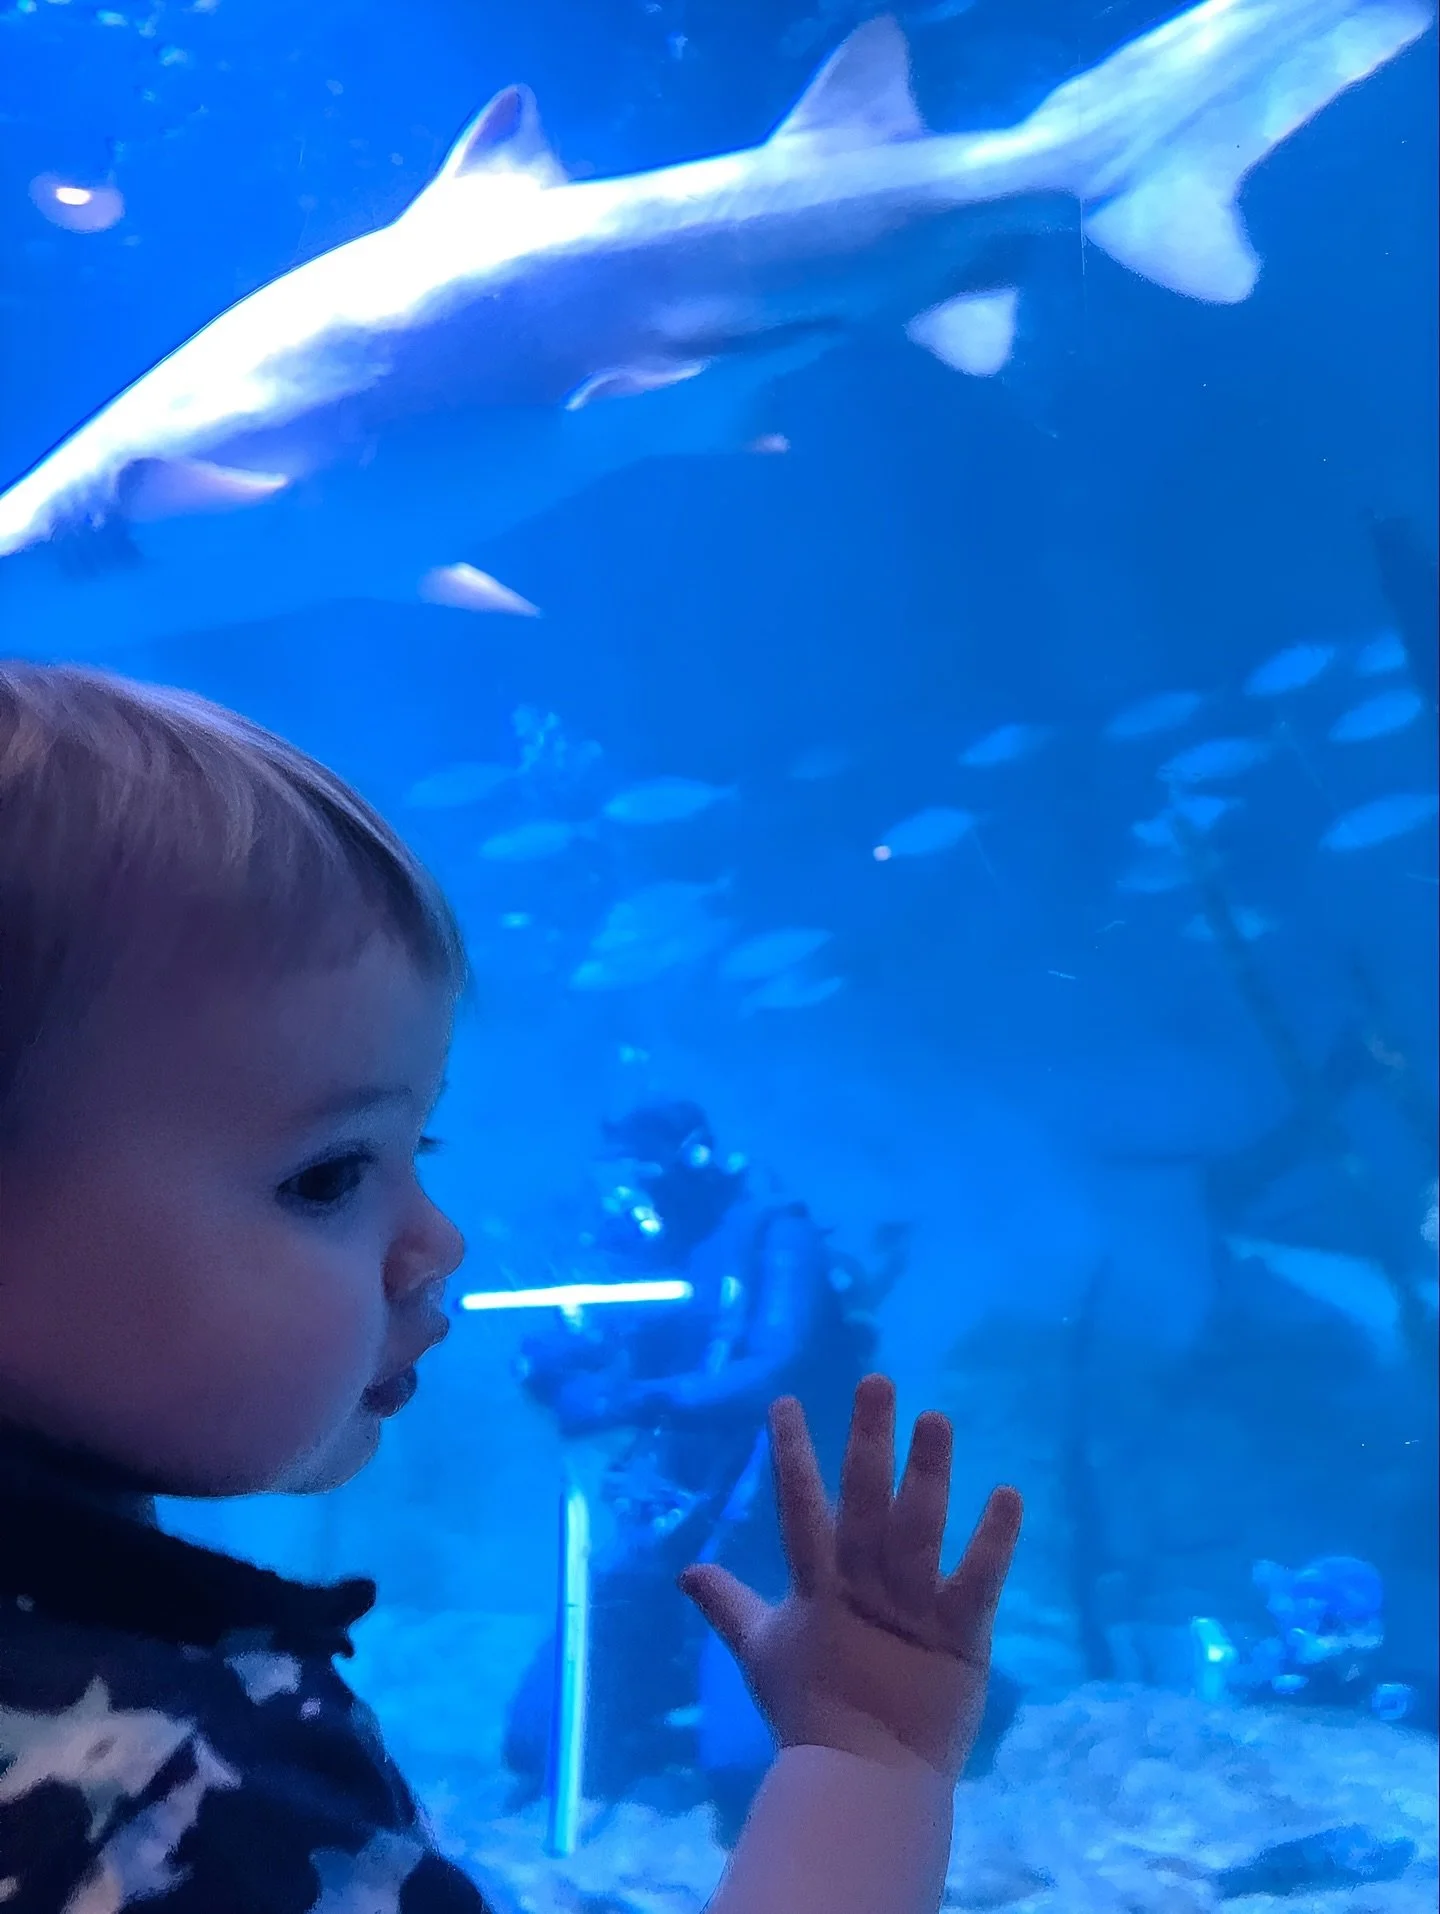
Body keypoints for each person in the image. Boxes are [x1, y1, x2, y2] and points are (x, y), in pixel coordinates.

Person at [0, 661, 1023, 1914]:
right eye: (329, 1176)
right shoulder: (181, 1798)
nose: (437, 1243)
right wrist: (870, 1759)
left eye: (414, 1156)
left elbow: (759, 1362)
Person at [505, 1102, 872, 1830]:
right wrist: (550, 1372)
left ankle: (845, 1685)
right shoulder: (638, 1239)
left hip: (763, 1518)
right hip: (666, 1513)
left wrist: (632, 1400)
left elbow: (775, 1370)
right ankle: (669, 1692)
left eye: (646, 1167)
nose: (634, 1189)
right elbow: (579, 1333)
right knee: (537, 1743)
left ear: (694, 1157)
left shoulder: (774, 1234)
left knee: (745, 1776)